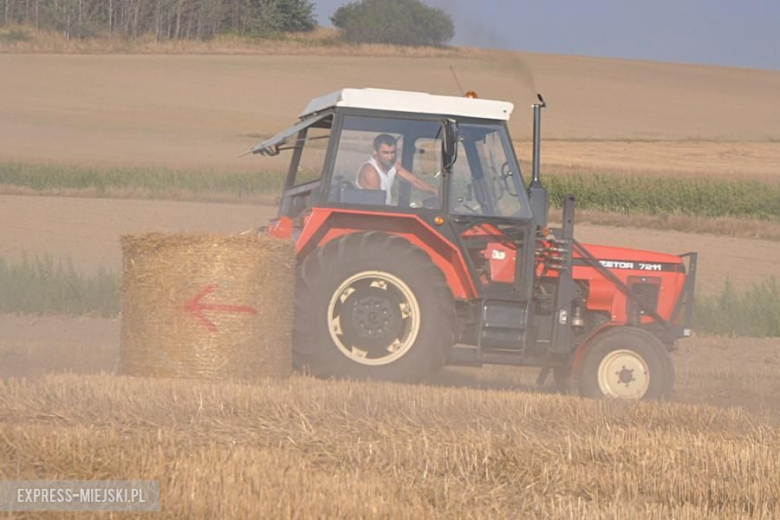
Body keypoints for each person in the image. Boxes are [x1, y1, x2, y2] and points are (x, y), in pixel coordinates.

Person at [356, 134, 438, 205]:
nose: (390, 157)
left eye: (393, 152)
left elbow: (414, 181)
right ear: (375, 152)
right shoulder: (370, 172)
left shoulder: (392, 165)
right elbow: (375, 205)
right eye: (385, 153)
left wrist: (435, 191)